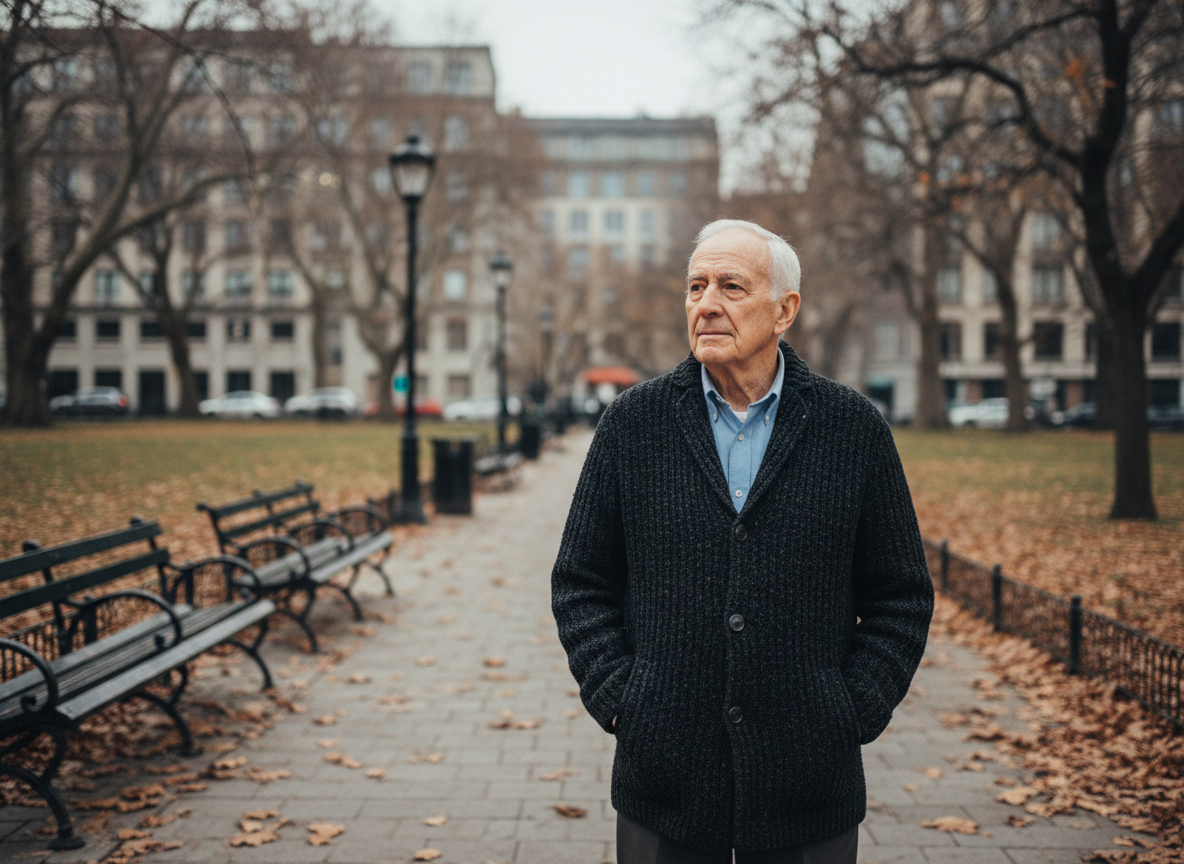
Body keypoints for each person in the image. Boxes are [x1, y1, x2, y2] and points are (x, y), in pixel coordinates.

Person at [551, 219, 934, 863]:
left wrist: (851, 710)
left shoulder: (852, 429)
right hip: (663, 786)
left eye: (731, 286)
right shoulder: (632, 424)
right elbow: (580, 582)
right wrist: (622, 698)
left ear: (785, 310)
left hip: (809, 791)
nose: (707, 304)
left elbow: (901, 597)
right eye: (695, 286)